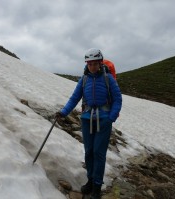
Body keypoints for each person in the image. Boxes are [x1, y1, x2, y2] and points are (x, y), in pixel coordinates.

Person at [56, 48, 122, 199]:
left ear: (100, 63)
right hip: (86, 119)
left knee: (99, 153)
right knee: (89, 152)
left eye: (95, 63)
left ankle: (97, 187)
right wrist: (63, 112)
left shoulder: (108, 78)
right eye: (89, 64)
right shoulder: (84, 79)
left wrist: (111, 117)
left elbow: (118, 99)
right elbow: (74, 98)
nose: (92, 66)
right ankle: (90, 181)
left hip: (104, 120)